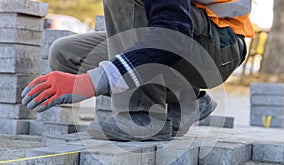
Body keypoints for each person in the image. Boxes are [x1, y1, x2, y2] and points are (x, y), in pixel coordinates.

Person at [21, 0, 254, 141]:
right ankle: (189, 99)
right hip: (188, 37)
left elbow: (174, 35)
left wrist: (89, 83)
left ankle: (142, 116)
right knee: (65, 53)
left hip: (220, 49)